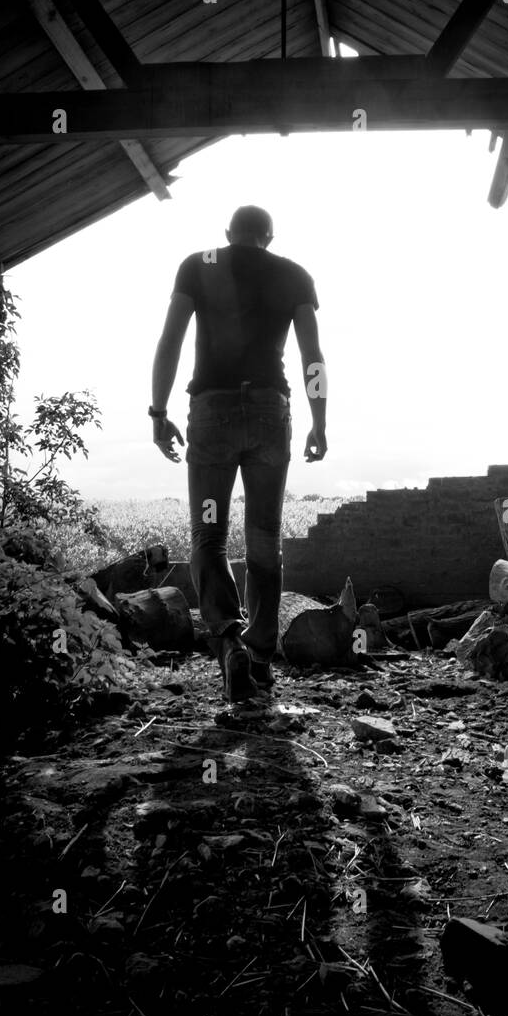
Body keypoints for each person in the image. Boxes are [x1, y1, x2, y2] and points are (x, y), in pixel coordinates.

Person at [149, 205, 327, 701]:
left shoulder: (198, 265)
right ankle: (262, 656)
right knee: (265, 537)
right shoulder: (294, 275)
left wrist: (157, 411)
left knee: (209, 532)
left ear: (228, 235)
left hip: (213, 415)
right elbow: (312, 356)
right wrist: (319, 419)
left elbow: (171, 340)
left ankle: (229, 640)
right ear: (269, 239)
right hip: (271, 414)